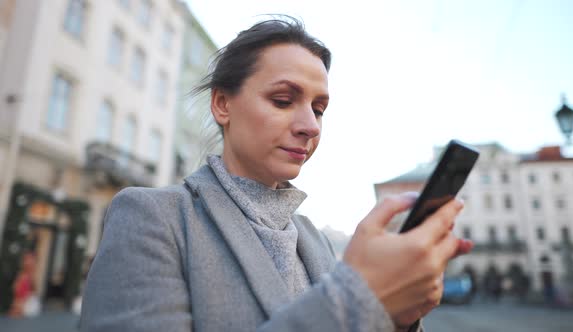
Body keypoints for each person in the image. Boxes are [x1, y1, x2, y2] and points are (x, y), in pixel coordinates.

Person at [80, 17, 472, 332]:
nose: (310, 125)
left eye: (318, 109)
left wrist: (397, 316)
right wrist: (359, 301)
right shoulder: (152, 217)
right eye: (283, 100)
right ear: (222, 104)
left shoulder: (314, 239)